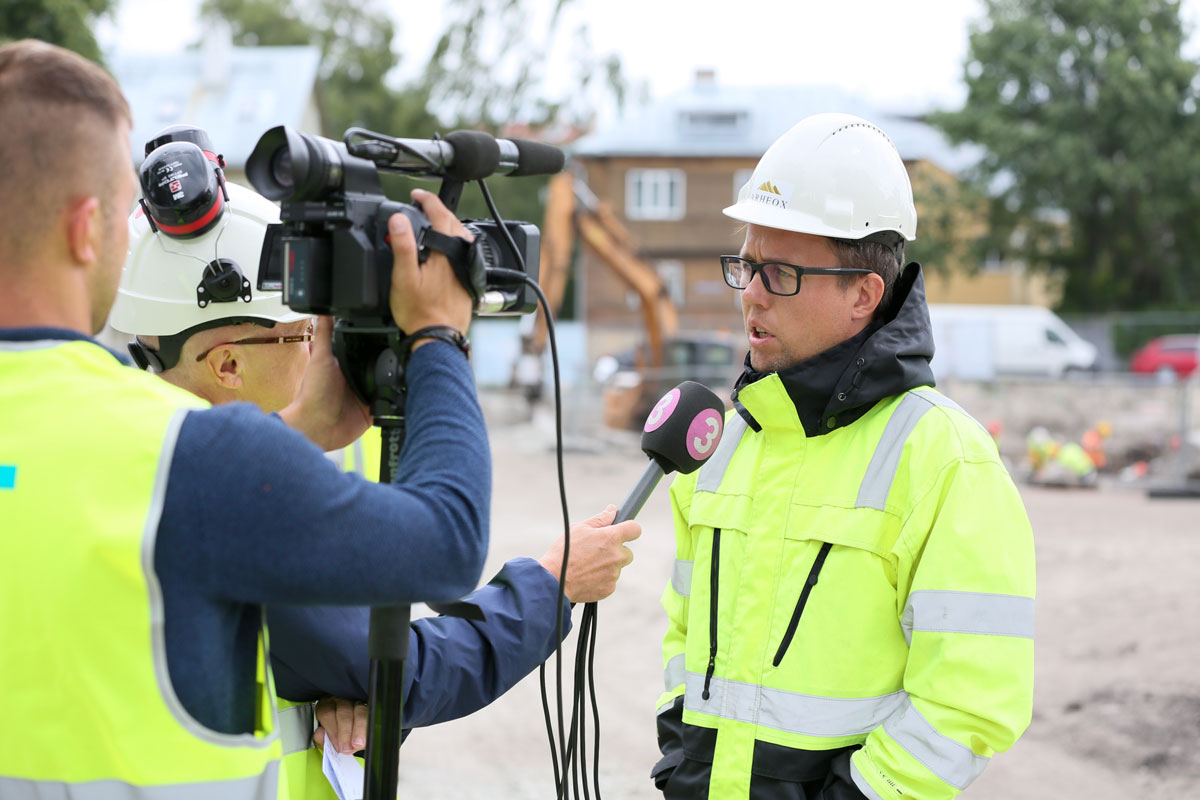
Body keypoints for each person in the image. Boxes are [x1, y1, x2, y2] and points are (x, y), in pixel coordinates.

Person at [0, 38, 510, 797]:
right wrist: (438, 334)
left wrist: (297, 430)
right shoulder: (190, 454)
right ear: (84, 230)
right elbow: (448, 543)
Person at [109, 168, 642, 796]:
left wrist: (348, 684)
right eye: (303, 332)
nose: (318, 350)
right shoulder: (227, 500)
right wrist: (553, 583)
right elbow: (412, 660)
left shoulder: (114, 449)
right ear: (228, 363)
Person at [652, 113, 1035, 800]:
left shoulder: (945, 459)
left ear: (864, 294)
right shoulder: (723, 444)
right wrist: (679, 761)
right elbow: (684, 633)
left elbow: (971, 700)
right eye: (747, 266)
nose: (752, 294)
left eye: (781, 273)